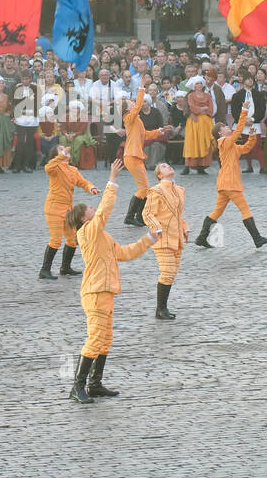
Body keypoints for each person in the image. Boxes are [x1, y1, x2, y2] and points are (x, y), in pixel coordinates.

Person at [66, 159, 160, 404]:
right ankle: (77, 386)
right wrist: (112, 180)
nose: (92, 209)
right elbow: (105, 210)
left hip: (105, 292)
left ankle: (94, 384)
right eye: (88, 208)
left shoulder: (101, 236)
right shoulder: (87, 231)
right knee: (95, 338)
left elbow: (125, 253)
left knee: (105, 340)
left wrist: (149, 238)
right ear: (83, 217)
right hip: (95, 292)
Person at [192, 104, 267, 248]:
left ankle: (201, 238)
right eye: (224, 127)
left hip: (225, 184)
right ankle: (257, 239)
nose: (228, 127)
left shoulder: (230, 145)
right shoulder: (224, 142)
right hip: (230, 183)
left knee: (216, 212)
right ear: (220, 133)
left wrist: (252, 136)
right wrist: (244, 112)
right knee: (245, 210)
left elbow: (246, 148)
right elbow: (237, 132)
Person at [40, 144, 100, 280]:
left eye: (64, 149)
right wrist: (60, 156)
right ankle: (44, 270)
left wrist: (91, 188)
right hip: (53, 208)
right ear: (56, 155)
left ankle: (65, 268)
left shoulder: (72, 169)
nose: (64, 151)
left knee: (72, 239)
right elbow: (48, 167)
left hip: (67, 210)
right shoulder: (55, 168)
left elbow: (83, 182)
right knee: (56, 240)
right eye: (60, 150)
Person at [141, 162, 188, 321]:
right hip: (163, 239)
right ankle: (161, 309)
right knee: (167, 273)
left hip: (177, 238)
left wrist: (184, 227)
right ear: (159, 175)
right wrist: (156, 228)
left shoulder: (180, 190)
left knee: (171, 274)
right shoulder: (156, 191)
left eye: (168, 165)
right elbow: (147, 213)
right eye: (163, 167)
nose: (168, 166)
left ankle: (162, 308)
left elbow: (178, 214)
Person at [121, 95, 167, 226]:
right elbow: (137, 107)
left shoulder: (136, 119)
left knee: (145, 188)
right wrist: (141, 88)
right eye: (131, 103)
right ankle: (132, 217)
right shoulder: (128, 117)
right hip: (131, 156)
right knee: (144, 188)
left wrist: (159, 131)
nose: (134, 103)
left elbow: (145, 134)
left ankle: (138, 217)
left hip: (135, 156)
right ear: (127, 108)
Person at [182, 76, 214, 174]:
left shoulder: (208, 96)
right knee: (192, 143)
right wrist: (201, 109)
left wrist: (203, 110)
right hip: (194, 122)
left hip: (206, 122)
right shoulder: (190, 95)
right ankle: (188, 165)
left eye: (200, 83)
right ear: (193, 86)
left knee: (204, 143)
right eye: (197, 83)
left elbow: (211, 108)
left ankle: (202, 166)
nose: (199, 85)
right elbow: (191, 106)